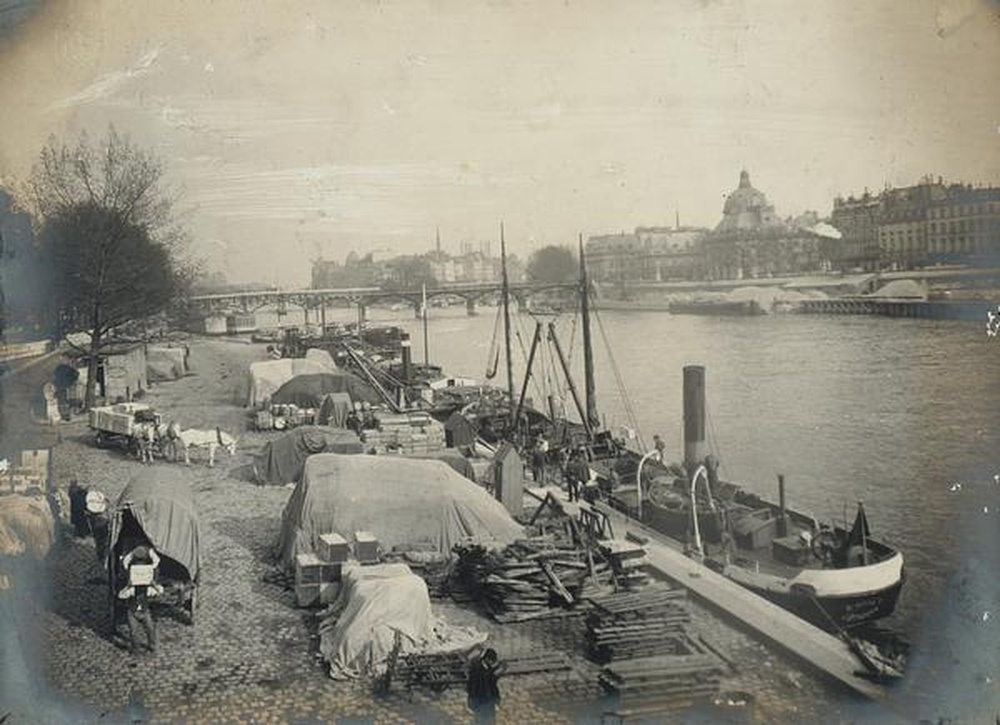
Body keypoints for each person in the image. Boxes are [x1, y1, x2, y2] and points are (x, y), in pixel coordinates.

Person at [118, 544, 163, 654]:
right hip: (132, 612)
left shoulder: (147, 589)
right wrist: (128, 584)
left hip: (144, 611)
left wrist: (153, 582)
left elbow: (159, 591)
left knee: (150, 629)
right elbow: (121, 595)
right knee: (133, 631)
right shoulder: (132, 590)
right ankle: (136, 648)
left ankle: (152, 646)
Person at [466, 647, 503, 724]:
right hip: (481, 702)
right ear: (486, 658)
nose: (492, 663)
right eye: (492, 661)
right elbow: (486, 679)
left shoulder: (485, 666)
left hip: (488, 701)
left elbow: (491, 681)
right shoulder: (476, 668)